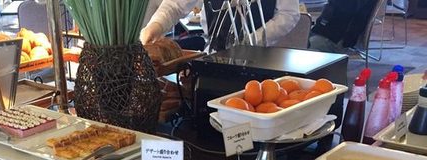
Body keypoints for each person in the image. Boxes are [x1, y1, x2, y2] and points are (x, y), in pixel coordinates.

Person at [141, 0, 300, 49]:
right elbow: (175, 6)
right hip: (213, 55)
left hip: (259, 58)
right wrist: (156, 25)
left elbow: (288, 14)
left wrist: (250, 40)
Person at [308, 0, 379, 53]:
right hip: (328, 34)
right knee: (303, 38)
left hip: (335, 39)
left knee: (303, 46)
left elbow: (347, 10)